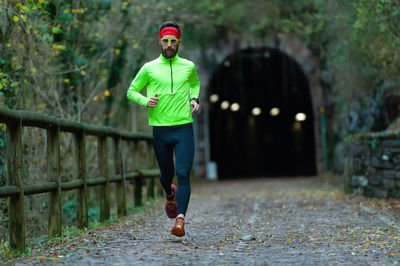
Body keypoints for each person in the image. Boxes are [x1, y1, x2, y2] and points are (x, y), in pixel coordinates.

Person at [126, 21, 200, 237]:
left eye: (173, 41)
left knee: (183, 172)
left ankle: (180, 220)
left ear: (179, 43)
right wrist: (145, 100)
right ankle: (169, 194)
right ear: (160, 42)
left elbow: (194, 83)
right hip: (160, 129)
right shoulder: (149, 68)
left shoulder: (188, 66)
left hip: (184, 126)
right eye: (166, 41)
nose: (169, 44)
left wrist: (194, 98)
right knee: (166, 175)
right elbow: (131, 90)